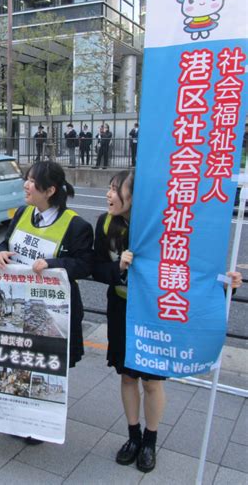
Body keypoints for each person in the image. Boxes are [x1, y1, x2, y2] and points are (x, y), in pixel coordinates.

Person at [92, 170, 243, 474]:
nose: (108, 195)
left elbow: (191, 268)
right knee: (127, 377)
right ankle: (133, 437)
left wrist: (226, 283)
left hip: (153, 312)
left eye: (114, 189)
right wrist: (117, 267)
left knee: (151, 381)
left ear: (134, 197)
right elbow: (96, 268)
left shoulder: (163, 227)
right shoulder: (106, 223)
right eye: (108, 189)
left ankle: (150, 440)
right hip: (121, 310)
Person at [0, 161, 93, 372]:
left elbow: (85, 265)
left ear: (50, 190)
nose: (26, 185)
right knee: (19, 361)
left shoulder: (76, 226)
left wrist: (51, 264)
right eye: (27, 179)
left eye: (32, 181)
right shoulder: (22, 212)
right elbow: (6, 243)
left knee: (49, 368)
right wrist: (0, 252)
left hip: (53, 311)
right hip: (19, 301)